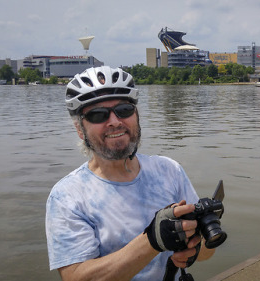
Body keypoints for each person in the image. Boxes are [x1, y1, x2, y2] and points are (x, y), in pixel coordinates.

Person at [45, 66, 216, 281]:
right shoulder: (67, 196)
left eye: (124, 110)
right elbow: (78, 278)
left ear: (136, 115)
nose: (115, 121)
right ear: (80, 129)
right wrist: (153, 241)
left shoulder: (169, 170)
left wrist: (194, 246)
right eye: (98, 115)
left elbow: (207, 254)